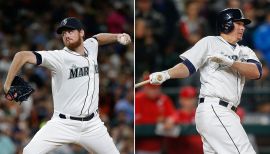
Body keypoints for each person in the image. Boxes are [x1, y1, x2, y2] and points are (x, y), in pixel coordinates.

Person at [3, 17, 131, 154]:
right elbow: (21, 56)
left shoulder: (90, 46)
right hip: (63, 123)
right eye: (63, 33)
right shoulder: (59, 57)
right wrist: (7, 84)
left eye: (70, 31)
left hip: (93, 125)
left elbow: (98, 38)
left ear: (81, 32)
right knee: (29, 152)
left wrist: (118, 36)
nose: (66, 35)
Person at [148, 8, 262, 154]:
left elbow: (256, 72)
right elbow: (187, 67)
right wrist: (165, 74)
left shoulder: (245, 51)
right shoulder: (210, 42)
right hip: (215, 108)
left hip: (227, 112)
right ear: (226, 24)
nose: (242, 27)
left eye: (243, 24)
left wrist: (230, 63)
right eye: (238, 23)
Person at [135, 75, 176, 154]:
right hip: (141, 148)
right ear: (145, 88)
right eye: (152, 88)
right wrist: (156, 120)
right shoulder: (137, 99)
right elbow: (137, 121)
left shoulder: (164, 98)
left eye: (157, 88)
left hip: (161, 148)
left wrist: (171, 119)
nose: (155, 91)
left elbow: (174, 114)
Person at [165, 86, 203, 154]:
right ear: (181, 100)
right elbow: (168, 124)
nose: (190, 101)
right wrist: (170, 122)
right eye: (187, 98)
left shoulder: (200, 114)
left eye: (192, 98)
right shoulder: (176, 115)